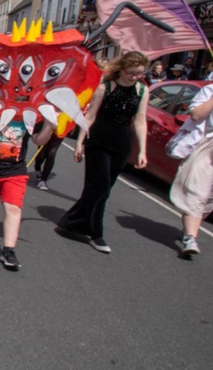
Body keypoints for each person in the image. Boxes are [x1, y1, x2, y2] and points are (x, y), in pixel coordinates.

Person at [59, 51, 150, 254]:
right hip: (99, 140)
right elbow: (90, 117)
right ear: (121, 69)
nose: (135, 77)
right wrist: (79, 142)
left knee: (105, 188)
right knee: (99, 185)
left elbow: (140, 121)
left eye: (139, 73)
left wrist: (142, 150)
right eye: (131, 72)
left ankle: (73, 220)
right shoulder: (105, 87)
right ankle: (95, 233)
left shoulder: (142, 90)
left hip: (122, 143)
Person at [0, 109, 55, 270]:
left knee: (13, 207)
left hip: (16, 170)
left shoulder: (32, 114)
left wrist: (49, 124)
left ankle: (9, 250)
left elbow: (39, 140)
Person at [169, 65, 213, 257]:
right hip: (207, 144)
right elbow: (196, 115)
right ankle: (190, 237)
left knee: (211, 195)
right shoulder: (212, 90)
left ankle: (190, 230)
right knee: (197, 190)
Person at [32, 120, 65, 191]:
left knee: (51, 153)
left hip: (60, 129)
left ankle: (43, 180)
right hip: (46, 125)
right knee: (41, 154)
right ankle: (37, 167)